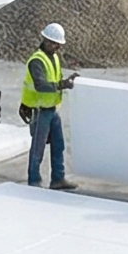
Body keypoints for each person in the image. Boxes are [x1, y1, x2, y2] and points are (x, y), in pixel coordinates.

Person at [22, 22, 80, 191]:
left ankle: (58, 179)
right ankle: (34, 181)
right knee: (38, 149)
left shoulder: (53, 57)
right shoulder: (37, 61)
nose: (57, 47)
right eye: (54, 43)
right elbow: (41, 85)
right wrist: (62, 84)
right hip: (39, 110)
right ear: (46, 40)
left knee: (58, 144)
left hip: (52, 109)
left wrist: (67, 81)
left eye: (58, 44)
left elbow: (54, 80)